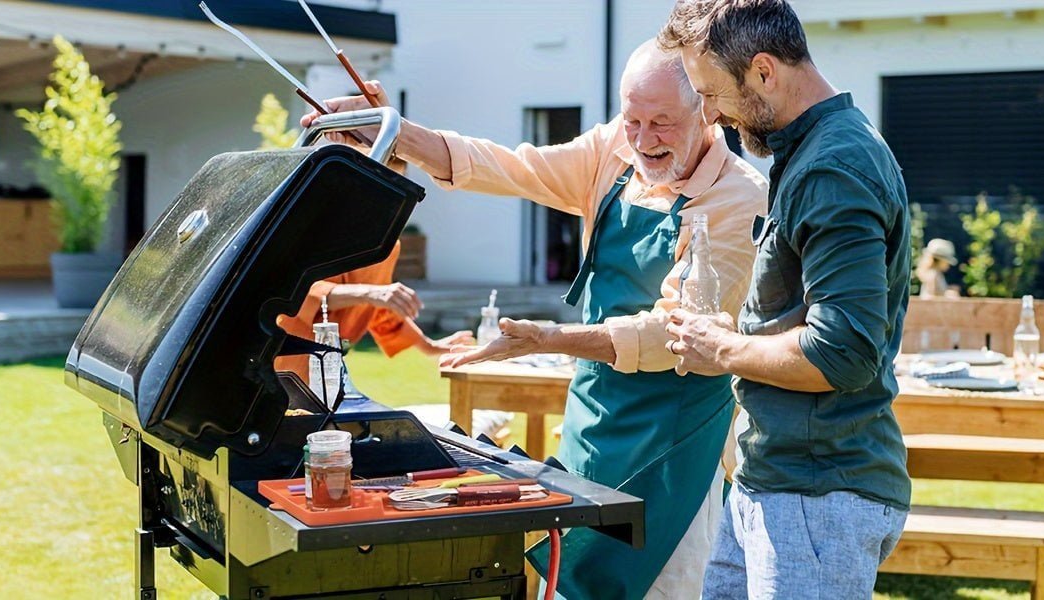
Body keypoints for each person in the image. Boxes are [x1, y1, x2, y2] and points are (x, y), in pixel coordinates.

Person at [303, 40, 766, 598]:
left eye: (661, 123)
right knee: (567, 578)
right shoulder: (612, 149)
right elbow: (512, 167)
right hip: (594, 414)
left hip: (676, 435)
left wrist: (549, 338)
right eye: (632, 119)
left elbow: (673, 334)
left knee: (664, 585)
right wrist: (397, 132)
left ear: (708, 110)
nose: (642, 140)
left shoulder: (739, 197)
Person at [658, 1, 913, 597]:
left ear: (764, 71)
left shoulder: (834, 166)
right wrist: (730, 339)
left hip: (818, 494)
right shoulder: (807, 150)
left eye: (711, 94)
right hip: (771, 479)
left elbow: (841, 353)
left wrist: (722, 349)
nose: (710, 115)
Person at [274, 242, 470, 383]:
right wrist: (369, 293)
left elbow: (379, 307)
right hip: (286, 360)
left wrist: (428, 346)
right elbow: (298, 292)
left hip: (331, 368)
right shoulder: (318, 228)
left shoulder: (388, 244)